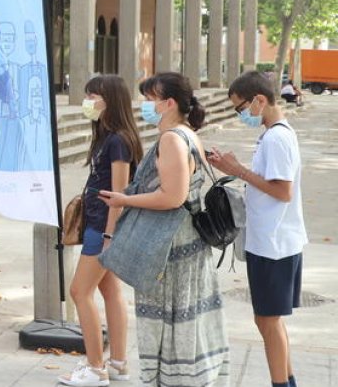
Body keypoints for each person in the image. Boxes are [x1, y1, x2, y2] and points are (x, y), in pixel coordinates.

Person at [99, 72, 229, 386]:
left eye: (149, 99)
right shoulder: (188, 133)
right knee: (189, 319)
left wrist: (124, 200)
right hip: (188, 243)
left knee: (171, 321)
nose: (144, 105)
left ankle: (176, 379)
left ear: (168, 103)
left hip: (170, 249)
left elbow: (173, 196)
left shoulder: (172, 139)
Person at [208, 71, 306, 387]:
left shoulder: (277, 137)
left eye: (240, 108)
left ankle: (282, 383)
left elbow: (282, 190)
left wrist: (238, 170)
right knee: (267, 319)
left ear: (259, 100)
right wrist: (233, 169)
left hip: (275, 242)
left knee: (267, 319)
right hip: (271, 240)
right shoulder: (273, 134)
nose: (240, 115)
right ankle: (286, 380)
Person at [59, 75, 142, 386]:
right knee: (109, 291)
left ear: (110, 99)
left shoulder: (118, 141)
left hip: (104, 226)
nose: (88, 100)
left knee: (79, 292)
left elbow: (118, 194)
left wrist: (108, 236)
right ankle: (118, 363)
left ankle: (96, 368)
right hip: (99, 224)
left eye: (93, 95)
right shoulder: (107, 136)